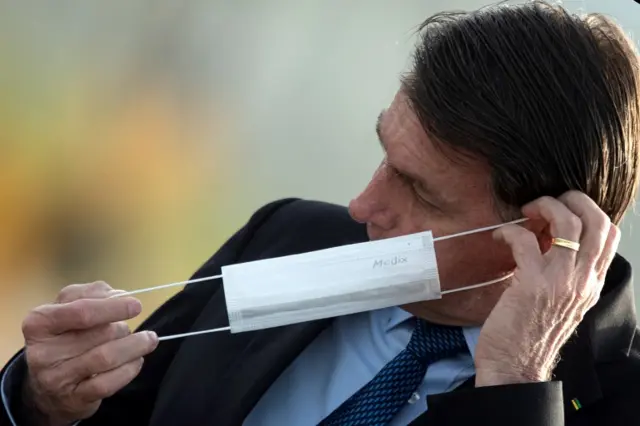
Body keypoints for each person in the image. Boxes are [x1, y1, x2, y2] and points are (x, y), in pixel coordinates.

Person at [2, 2, 640, 425]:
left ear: (536, 235)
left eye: (420, 191)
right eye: (385, 153)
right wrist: (42, 401)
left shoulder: (612, 399)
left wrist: (515, 384)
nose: (364, 206)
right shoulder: (292, 237)